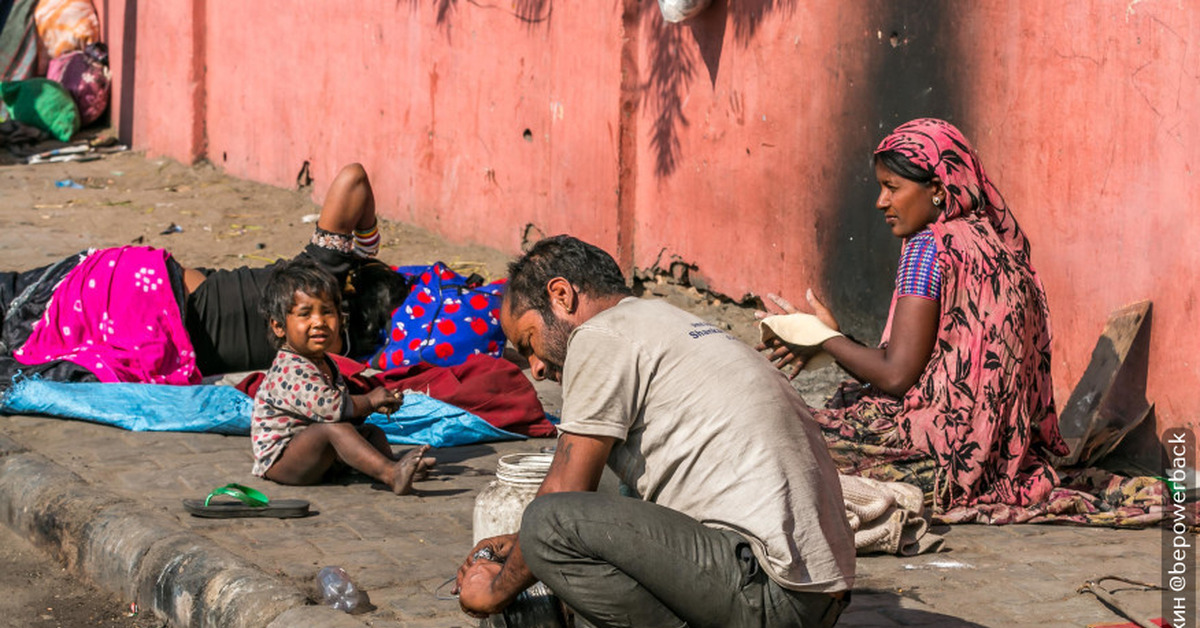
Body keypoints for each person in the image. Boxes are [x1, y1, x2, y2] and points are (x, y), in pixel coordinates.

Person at [455, 235, 855, 627]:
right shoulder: (666, 320)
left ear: (561, 295)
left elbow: (564, 494)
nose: (536, 367)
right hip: (814, 595)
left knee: (548, 522)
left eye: (529, 341)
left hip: (770, 592)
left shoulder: (599, 336)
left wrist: (495, 590)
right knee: (589, 491)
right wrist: (519, 545)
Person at [759, 118, 1069, 519]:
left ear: (937, 190)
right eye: (880, 187)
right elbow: (929, 366)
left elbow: (897, 376)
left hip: (940, 461)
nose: (880, 202)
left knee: (780, 433)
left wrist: (820, 338)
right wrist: (840, 341)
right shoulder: (993, 245)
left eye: (892, 187)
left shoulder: (929, 248)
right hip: (997, 460)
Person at [0, 163, 410, 387]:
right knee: (30, 331)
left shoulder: (320, 274)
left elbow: (353, 178)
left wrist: (365, 245)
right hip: (141, 306)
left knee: (21, 303)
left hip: (134, 285)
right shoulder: (332, 353)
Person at [251, 257, 434, 494]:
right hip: (283, 462)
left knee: (371, 433)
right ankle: (390, 474)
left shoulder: (324, 362)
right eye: (305, 314)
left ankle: (395, 467)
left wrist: (377, 405)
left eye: (327, 312)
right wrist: (369, 401)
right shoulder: (290, 368)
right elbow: (331, 409)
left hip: (316, 453)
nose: (319, 322)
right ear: (279, 326)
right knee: (334, 429)